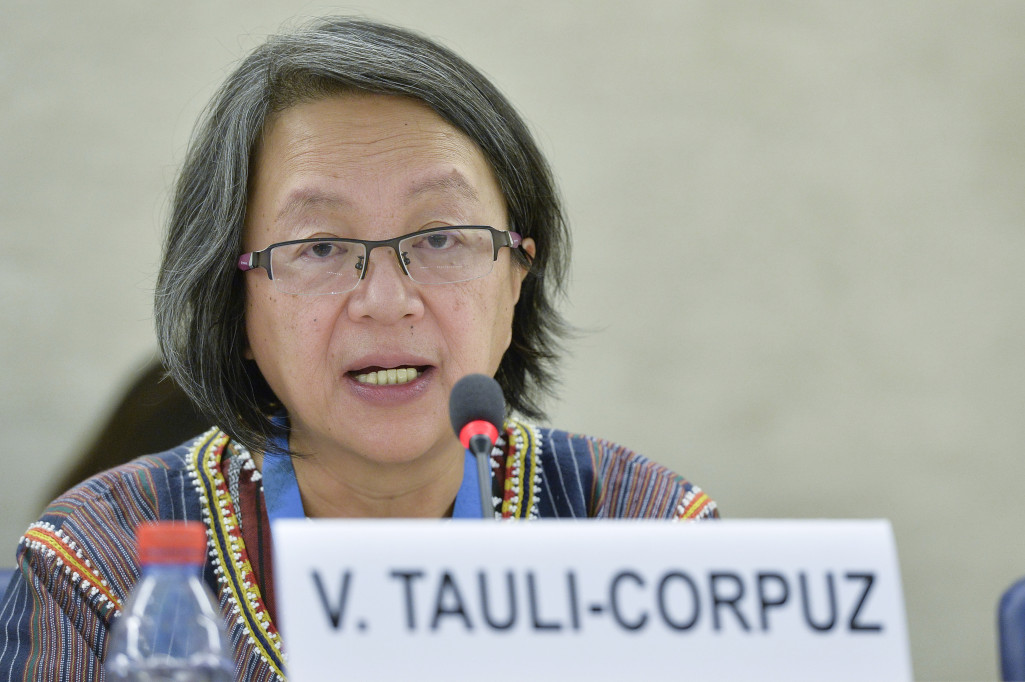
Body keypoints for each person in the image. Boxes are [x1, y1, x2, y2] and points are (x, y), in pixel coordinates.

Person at [0, 17, 717, 681]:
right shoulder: (103, 559)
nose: (385, 300)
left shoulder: (640, 532)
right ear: (236, 305)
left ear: (516, 280)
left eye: (439, 237)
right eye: (320, 246)